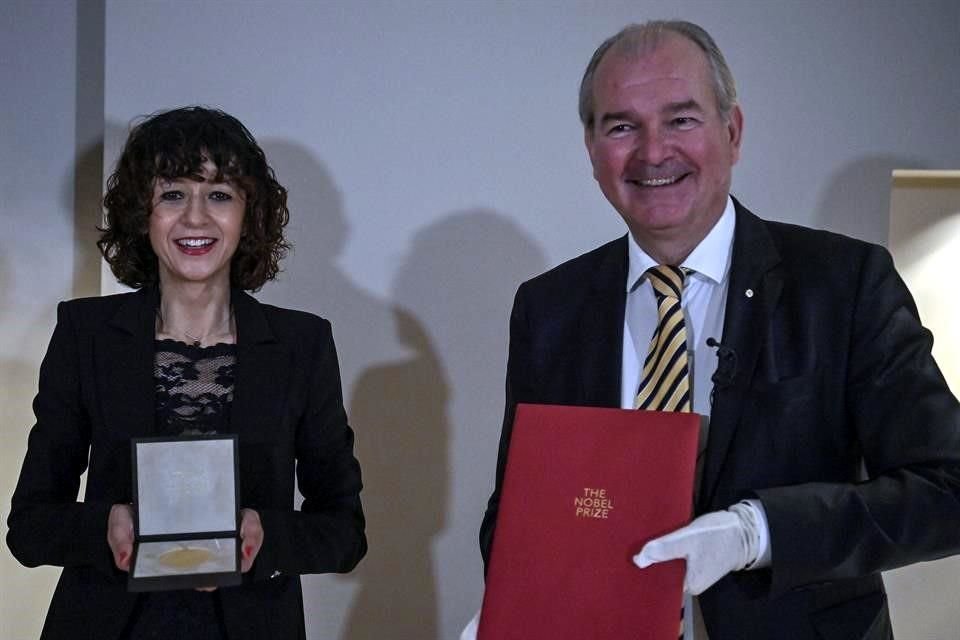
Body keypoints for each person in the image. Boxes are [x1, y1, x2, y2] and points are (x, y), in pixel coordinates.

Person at [477, 20, 960, 639]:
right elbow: (517, 513)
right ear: (593, 151)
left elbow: (946, 490)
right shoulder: (548, 309)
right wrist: (521, 608)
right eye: (622, 126)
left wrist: (755, 532)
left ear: (732, 133)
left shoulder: (844, 284)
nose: (653, 152)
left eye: (681, 120)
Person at [7, 106, 367, 640]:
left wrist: (265, 536)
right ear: (141, 213)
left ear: (248, 214)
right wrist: (104, 527)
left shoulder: (302, 345)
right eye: (172, 193)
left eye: (219, 194)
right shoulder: (85, 334)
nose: (195, 218)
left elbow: (343, 532)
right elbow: (30, 526)